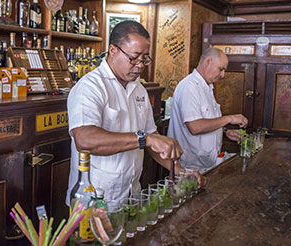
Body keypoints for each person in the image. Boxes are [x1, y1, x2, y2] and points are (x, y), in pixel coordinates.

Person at [66, 21, 201, 206]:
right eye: (134, 58)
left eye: (144, 59)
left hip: (131, 195)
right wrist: (145, 139)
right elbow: (85, 140)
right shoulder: (90, 87)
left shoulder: (139, 89)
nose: (139, 65)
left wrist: (179, 171)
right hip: (94, 200)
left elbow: (152, 138)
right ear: (113, 50)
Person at [167, 47, 248, 173]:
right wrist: (229, 118)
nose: (223, 75)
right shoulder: (189, 86)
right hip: (190, 168)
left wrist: (224, 131)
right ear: (208, 61)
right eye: (221, 69)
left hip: (207, 164)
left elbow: (208, 120)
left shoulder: (207, 87)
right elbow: (195, 127)